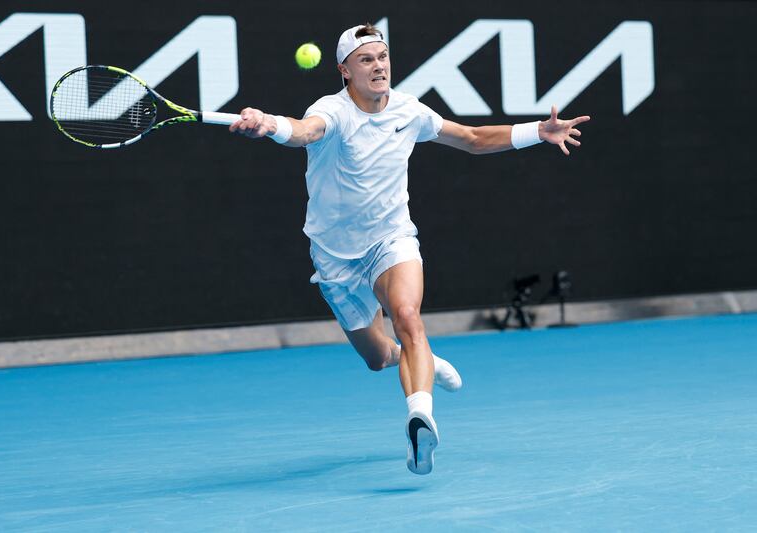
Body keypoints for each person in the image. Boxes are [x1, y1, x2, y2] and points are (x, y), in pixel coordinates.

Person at [229, 24, 590, 475]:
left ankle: (420, 416)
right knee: (378, 357)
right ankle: (422, 361)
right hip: (335, 256)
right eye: (366, 59)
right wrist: (268, 125)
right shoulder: (332, 112)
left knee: (407, 317)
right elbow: (303, 131)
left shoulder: (408, 110)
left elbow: (472, 139)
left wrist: (538, 130)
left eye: (382, 56)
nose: (378, 65)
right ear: (345, 70)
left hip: (390, 239)